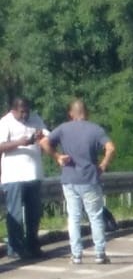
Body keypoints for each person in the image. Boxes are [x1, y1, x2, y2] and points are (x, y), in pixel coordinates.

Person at [39, 99, 116, 265]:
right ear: (86, 113)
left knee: (73, 217)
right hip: (89, 178)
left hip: (69, 179)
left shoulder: (63, 128)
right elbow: (110, 148)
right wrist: (102, 165)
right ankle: (100, 254)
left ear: (71, 114)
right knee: (95, 216)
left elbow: (44, 142)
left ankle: (76, 255)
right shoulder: (95, 129)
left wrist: (57, 156)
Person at [0, 96, 47, 259]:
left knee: (34, 213)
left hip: (34, 174)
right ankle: (16, 249)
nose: (25, 115)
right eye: (21, 112)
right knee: (16, 215)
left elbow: (47, 137)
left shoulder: (35, 119)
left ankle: (33, 245)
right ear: (13, 110)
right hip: (13, 176)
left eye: (27, 111)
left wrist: (41, 136)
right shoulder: (5, 122)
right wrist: (19, 142)